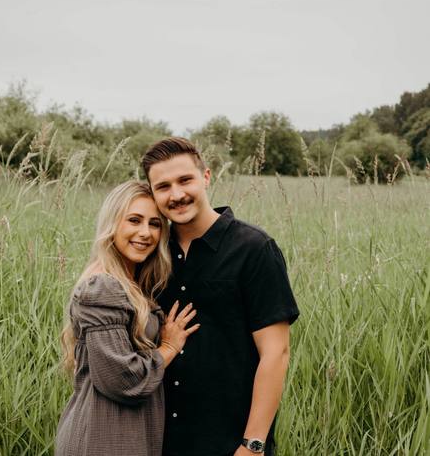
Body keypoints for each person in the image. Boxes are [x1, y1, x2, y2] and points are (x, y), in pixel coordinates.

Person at [141, 138, 300, 456]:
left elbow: (276, 353)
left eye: (185, 180)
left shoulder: (254, 249)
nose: (177, 195)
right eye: (163, 187)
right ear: (153, 193)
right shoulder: (151, 254)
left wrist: (252, 446)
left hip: (230, 444)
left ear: (206, 177)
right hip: (161, 443)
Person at [55, 180, 200, 456]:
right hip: (103, 439)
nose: (145, 233)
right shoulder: (103, 286)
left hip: (123, 434)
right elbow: (123, 380)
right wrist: (169, 347)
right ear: (112, 223)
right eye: (134, 220)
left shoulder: (131, 283)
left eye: (155, 224)